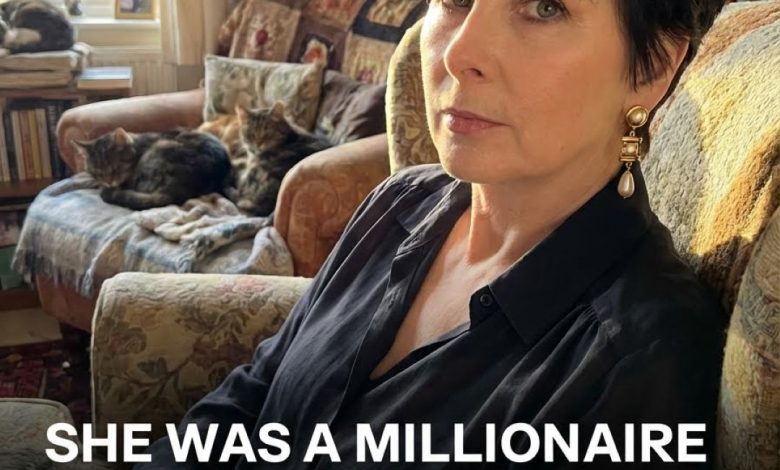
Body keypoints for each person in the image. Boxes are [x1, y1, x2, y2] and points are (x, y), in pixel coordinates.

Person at [140, 0, 728, 468]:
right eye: (454, 0)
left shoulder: (639, 365)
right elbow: (252, 395)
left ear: (652, 67)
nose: (460, 52)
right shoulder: (398, 202)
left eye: (544, 7)